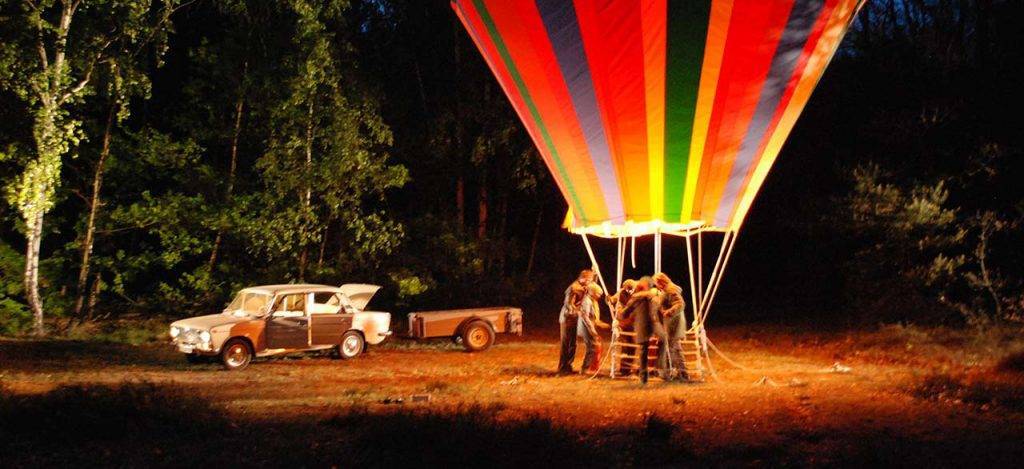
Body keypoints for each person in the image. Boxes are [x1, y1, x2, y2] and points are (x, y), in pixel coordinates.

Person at [619, 277, 667, 384]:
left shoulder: (652, 296)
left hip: (654, 323)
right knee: (643, 351)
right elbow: (625, 311)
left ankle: (659, 369)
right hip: (643, 325)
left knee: (663, 340)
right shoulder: (637, 298)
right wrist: (620, 315)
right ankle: (643, 377)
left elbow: (659, 305)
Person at [558, 269, 594, 374]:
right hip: (567, 318)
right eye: (589, 280)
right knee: (566, 343)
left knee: (573, 343)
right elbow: (569, 303)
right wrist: (578, 311)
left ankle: (568, 365)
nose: (590, 282)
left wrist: (594, 271)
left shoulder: (583, 287)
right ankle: (563, 367)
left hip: (573, 318)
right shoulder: (574, 288)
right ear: (583, 279)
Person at [653, 272, 687, 381]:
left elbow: (680, 303)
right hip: (672, 323)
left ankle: (678, 374)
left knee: (673, 348)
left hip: (674, 323)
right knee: (674, 348)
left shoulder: (671, 290)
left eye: (656, 283)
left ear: (661, 282)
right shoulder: (668, 290)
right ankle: (677, 373)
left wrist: (668, 312)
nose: (656, 286)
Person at [578, 283, 608, 373]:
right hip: (586, 327)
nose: (599, 296)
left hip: (589, 326)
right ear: (593, 292)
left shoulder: (592, 301)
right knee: (591, 347)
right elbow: (585, 317)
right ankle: (585, 368)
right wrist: (592, 330)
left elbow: (593, 317)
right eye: (598, 293)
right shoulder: (587, 301)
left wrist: (600, 324)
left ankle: (590, 366)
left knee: (592, 346)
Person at [609, 279, 637, 374]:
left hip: (632, 322)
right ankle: (624, 369)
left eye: (631, 288)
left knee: (632, 346)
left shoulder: (637, 292)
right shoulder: (621, 293)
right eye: (627, 289)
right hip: (623, 322)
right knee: (625, 345)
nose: (629, 290)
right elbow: (612, 300)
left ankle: (628, 367)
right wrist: (609, 299)